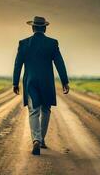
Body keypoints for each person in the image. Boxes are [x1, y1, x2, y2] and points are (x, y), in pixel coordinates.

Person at [13, 16, 69, 155]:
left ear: (33, 28)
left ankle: (36, 140)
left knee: (33, 111)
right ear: (44, 28)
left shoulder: (24, 43)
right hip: (47, 83)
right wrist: (65, 81)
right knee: (45, 110)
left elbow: (17, 64)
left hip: (30, 82)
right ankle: (41, 140)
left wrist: (15, 82)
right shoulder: (52, 43)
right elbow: (59, 63)